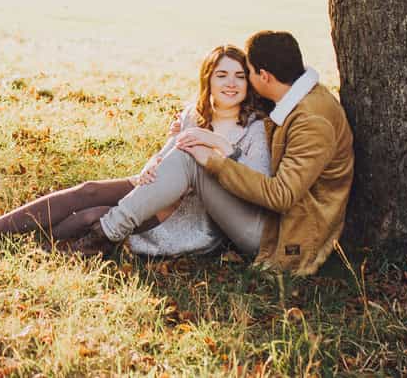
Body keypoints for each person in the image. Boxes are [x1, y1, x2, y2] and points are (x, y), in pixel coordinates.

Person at [0, 45, 272, 256]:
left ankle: (25, 248)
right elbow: (169, 156)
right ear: (208, 80)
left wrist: (219, 144)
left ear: (248, 83)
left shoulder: (254, 128)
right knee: (90, 191)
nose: (231, 84)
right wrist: (152, 164)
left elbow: (254, 184)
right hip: (154, 196)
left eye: (240, 77)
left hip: (187, 220)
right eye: (222, 75)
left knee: (90, 216)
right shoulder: (193, 114)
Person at [71, 30, 353, 276]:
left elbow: (281, 196)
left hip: (282, 236)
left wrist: (217, 160)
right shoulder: (298, 98)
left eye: (249, 73)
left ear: (264, 76)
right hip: (270, 221)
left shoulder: (312, 121)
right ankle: (104, 232)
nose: (245, 82)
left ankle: (105, 234)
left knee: (192, 157)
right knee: (187, 156)